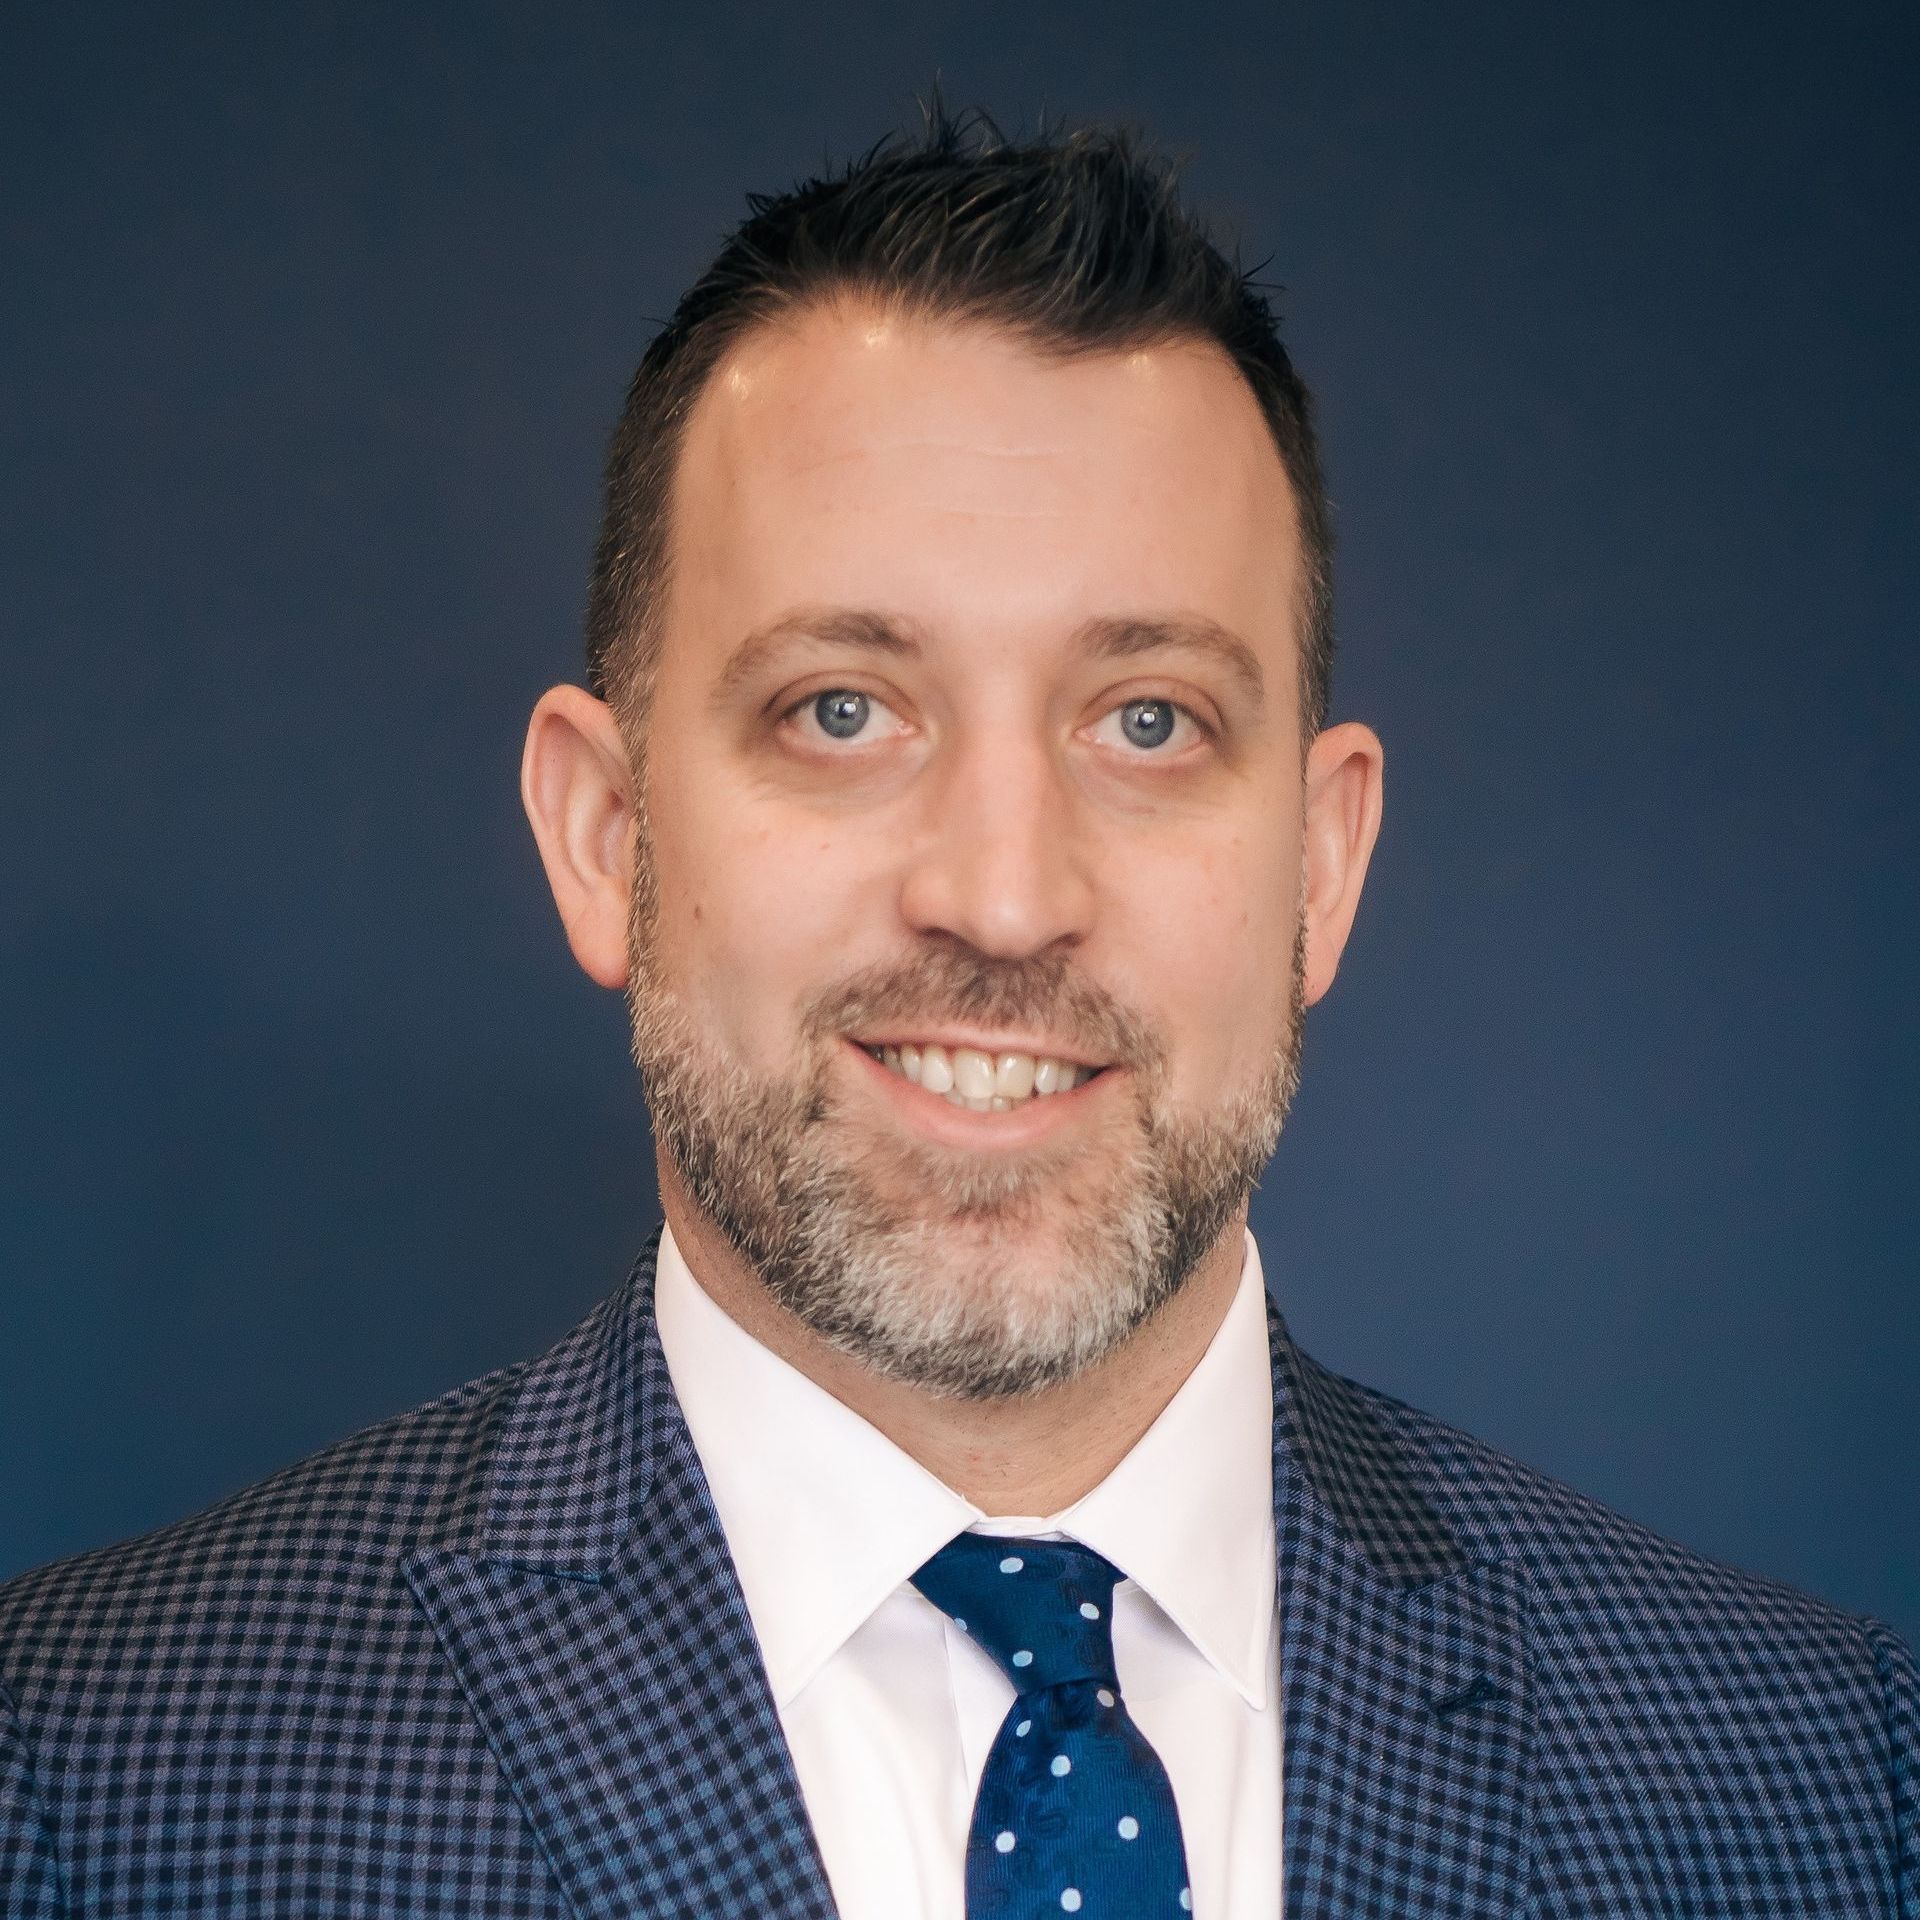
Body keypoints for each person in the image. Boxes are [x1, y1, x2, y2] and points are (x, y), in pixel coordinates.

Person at [2, 104, 1912, 1920]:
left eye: (1147, 720)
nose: (1004, 896)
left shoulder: (1835, 1783)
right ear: (605, 836)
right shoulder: (83, 1786)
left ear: (1321, 868)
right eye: (842, 710)